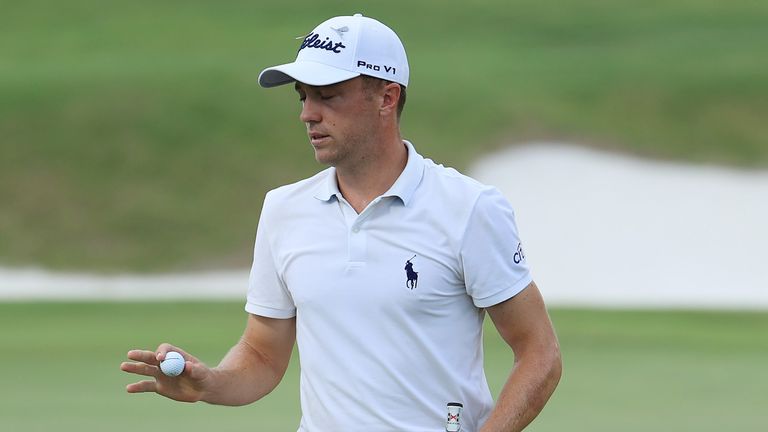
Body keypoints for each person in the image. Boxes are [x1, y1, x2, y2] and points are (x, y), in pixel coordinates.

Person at [121, 13, 561, 432]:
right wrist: (209, 383)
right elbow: (262, 353)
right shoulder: (283, 209)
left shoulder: (469, 208)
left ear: (387, 98)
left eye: (327, 96)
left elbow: (539, 353)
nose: (307, 114)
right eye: (303, 96)